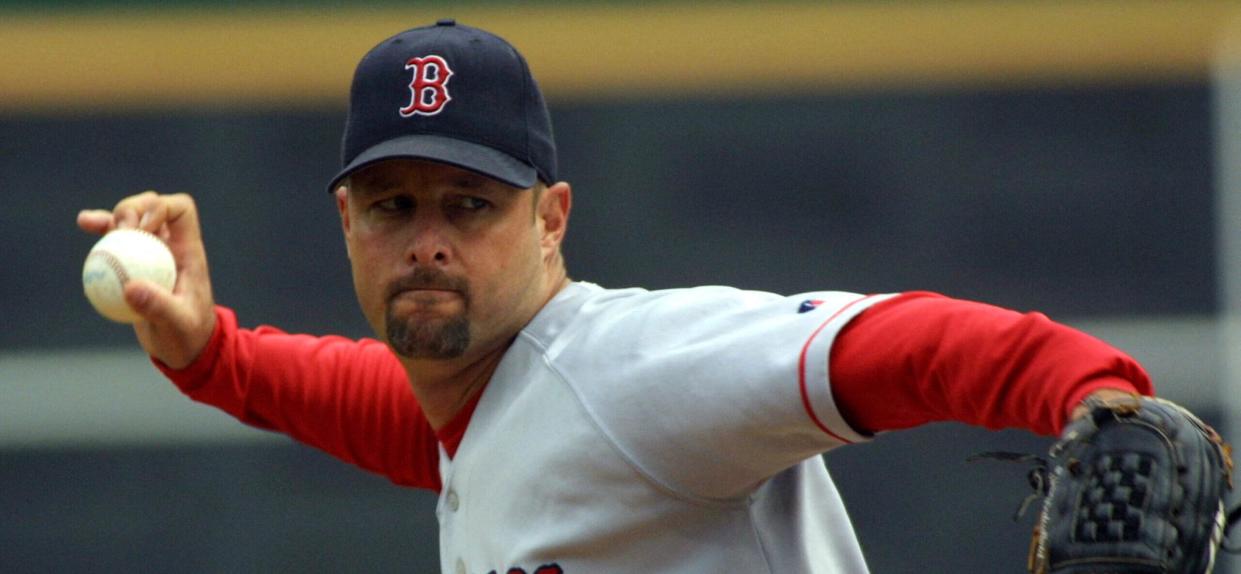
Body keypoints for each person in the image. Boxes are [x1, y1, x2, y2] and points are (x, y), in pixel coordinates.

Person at [78, 20, 1152, 573]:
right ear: (346, 223)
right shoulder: (484, 407)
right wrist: (206, 352)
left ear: (550, 218)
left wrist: (1098, 393)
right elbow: (394, 410)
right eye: (392, 205)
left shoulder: (630, 370)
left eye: (470, 204)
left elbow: (891, 343)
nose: (428, 242)